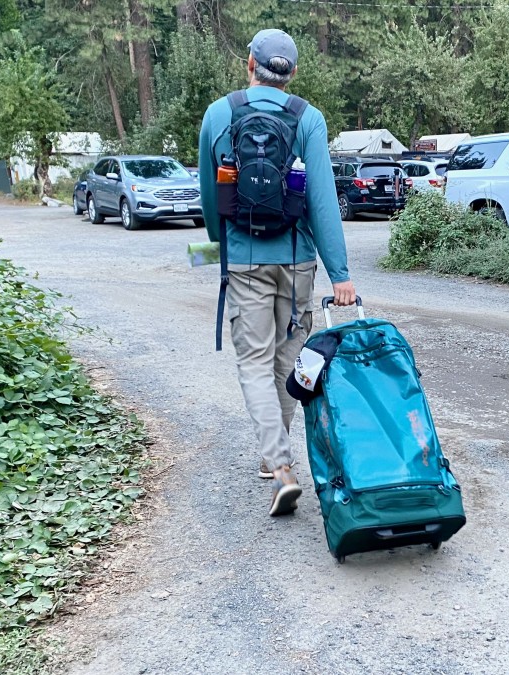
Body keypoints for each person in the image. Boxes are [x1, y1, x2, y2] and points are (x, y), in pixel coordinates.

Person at [198, 28, 355, 517]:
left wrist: (223, 241)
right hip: (297, 259)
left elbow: (209, 195)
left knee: (253, 363)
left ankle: (281, 466)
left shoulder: (220, 113)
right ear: (293, 73)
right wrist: (341, 273)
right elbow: (322, 200)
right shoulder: (309, 118)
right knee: (287, 361)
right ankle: (276, 459)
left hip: (244, 259)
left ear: (250, 63)